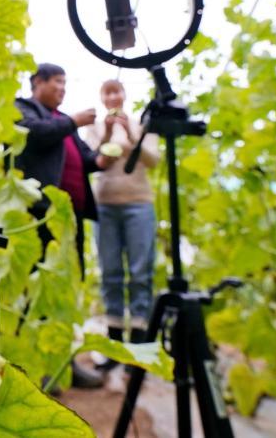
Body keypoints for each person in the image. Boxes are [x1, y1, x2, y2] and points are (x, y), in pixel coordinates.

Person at [14, 63, 116, 389]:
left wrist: (108, 147)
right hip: (39, 215)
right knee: (37, 289)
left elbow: (90, 160)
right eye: (58, 82)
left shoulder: (64, 124)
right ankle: (34, 368)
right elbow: (32, 135)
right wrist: (73, 120)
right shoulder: (24, 108)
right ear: (38, 82)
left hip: (69, 219)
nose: (63, 89)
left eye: (65, 83)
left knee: (64, 291)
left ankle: (61, 364)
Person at [85, 79, 160, 371]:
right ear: (103, 98)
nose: (113, 96)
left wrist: (129, 132)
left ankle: (139, 348)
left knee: (141, 272)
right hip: (105, 205)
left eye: (117, 91)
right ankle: (114, 347)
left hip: (139, 203)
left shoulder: (142, 125)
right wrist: (105, 132)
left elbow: (153, 159)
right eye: (107, 92)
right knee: (110, 272)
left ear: (125, 94)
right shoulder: (95, 128)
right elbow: (91, 157)